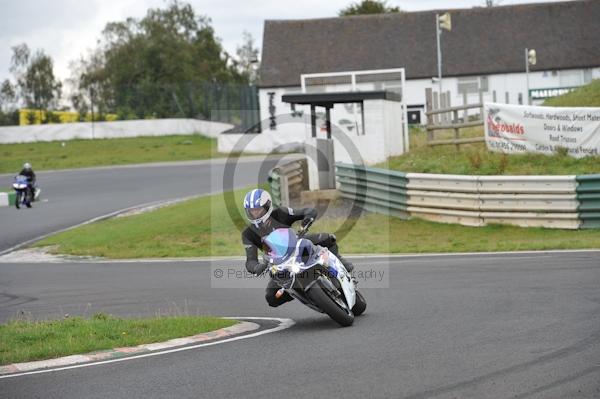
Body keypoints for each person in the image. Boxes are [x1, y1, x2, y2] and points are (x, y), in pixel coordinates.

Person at [241, 188, 353, 307]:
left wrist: (307, 220)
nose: (255, 214)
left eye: (258, 210)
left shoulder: (280, 213)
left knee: (327, 238)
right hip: (277, 265)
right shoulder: (248, 234)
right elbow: (250, 261)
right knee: (271, 298)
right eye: (251, 211)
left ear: (267, 206)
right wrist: (258, 267)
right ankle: (300, 292)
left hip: (298, 245)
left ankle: (340, 265)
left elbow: (308, 211)